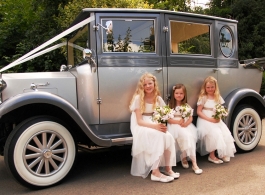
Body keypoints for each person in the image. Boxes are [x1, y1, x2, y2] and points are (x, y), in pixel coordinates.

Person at [129, 73, 178, 183]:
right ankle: (155, 172)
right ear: (142, 86)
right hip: (141, 125)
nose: (148, 86)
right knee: (158, 136)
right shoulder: (138, 98)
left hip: (154, 122)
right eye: (145, 84)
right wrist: (156, 126)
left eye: (150, 83)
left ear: (154, 84)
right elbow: (139, 121)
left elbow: (165, 113)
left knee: (168, 136)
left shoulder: (158, 98)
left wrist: (162, 123)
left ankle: (168, 168)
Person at [196, 76, 236, 164]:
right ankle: (212, 155)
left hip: (215, 119)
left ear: (215, 87)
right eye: (208, 87)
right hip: (205, 119)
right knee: (214, 133)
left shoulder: (217, 97)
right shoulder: (203, 97)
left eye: (212, 87)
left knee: (224, 133)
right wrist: (209, 119)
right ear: (205, 88)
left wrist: (219, 117)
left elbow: (220, 109)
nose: (210, 89)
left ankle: (223, 153)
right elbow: (199, 111)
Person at [168, 84, 203, 175]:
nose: (179, 95)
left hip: (184, 125)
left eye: (181, 93)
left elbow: (190, 118)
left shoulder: (186, 105)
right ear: (173, 94)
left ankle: (194, 163)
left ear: (184, 95)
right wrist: (177, 122)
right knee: (184, 137)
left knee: (189, 137)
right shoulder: (170, 105)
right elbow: (167, 118)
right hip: (174, 125)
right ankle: (183, 158)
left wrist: (187, 123)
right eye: (176, 93)